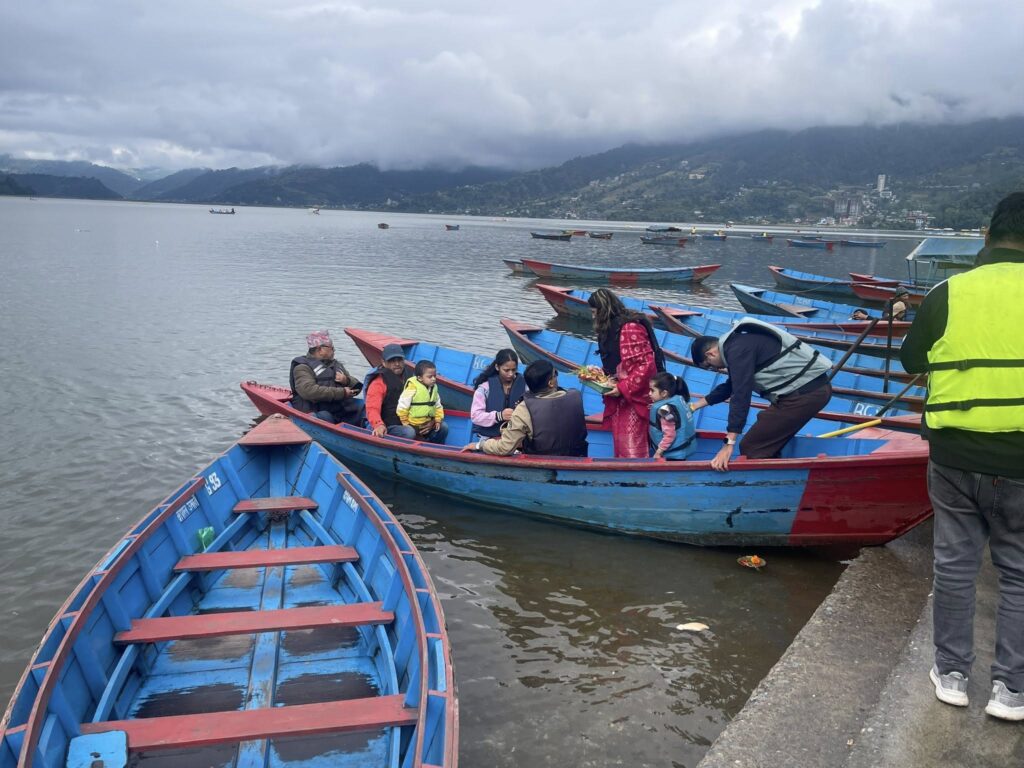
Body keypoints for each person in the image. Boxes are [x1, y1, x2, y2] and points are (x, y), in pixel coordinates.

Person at [899, 191, 1024, 721]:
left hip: (953, 454)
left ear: (987, 235)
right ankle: (1010, 691)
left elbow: (911, 361)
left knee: (954, 566)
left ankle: (952, 674)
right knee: (1018, 572)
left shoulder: (948, 292)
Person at [689, 317, 833, 471]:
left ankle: (766, 484)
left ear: (710, 354)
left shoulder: (737, 350)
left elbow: (741, 394)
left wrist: (729, 442)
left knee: (751, 447)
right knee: (765, 441)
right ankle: (775, 468)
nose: (716, 370)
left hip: (804, 395)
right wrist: (694, 406)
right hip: (810, 392)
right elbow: (731, 386)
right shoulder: (738, 344)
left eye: (710, 367)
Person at [587, 288, 666, 458]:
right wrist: (600, 374)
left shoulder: (629, 328)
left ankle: (635, 479)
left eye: (595, 312)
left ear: (603, 310)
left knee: (632, 445)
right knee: (622, 441)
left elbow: (646, 365)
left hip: (636, 398)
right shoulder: (612, 327)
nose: (593, 317)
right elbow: (619, 364)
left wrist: (623, 388)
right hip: (622, 398)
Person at [461, 359, 588, 457]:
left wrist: (480, 445)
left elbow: (505, 448)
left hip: (542, 463)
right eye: (556, 374)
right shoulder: (575, 396)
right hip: (577, 457)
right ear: (550, 383)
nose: (557, 376)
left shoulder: (524, 408)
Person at [289, 330, 364, 425]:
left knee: (365, 407)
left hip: (338, 411)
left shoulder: (336, 365)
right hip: (317, 412)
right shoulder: (302, 367)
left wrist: (346, 380)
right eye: (331, 348)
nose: (334, 350)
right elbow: (308, 391)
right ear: (320, 350)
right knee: (325, 416)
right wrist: (342, 392)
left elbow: (357, 388)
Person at [364, 343, 416, 439]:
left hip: (409, 420)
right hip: (387, 425)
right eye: (392, 360)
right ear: (383, 362)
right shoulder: (378, 383)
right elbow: (372, 408)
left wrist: (428, 420)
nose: (397, 364)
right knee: (409, 432)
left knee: (442, 428)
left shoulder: (411, 376)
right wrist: (378, 425)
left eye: (399, 360)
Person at [471, 349, 526, 438]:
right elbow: (475, 416)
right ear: (497, 367)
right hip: (489, 439)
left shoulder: (525, 387)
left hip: (516, 439)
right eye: (506, 370)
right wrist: (499, 416)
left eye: (513, 370)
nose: (511, 374)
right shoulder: (484, 389)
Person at [396, 360, 449, 444]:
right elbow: (402, 407)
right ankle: (417, 441)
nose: (433, 379)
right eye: (430, 377)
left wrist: (438, 420)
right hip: (413, 425)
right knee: (410, 432)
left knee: (444, 427)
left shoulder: (434, 389)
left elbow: (438, 406)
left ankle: (435, 445)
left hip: (428, 423)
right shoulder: (412, 388)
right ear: (420, 378)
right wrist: (405, 423)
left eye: (435, 376)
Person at [648, 372, 696, 460]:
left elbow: (669, 435)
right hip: (682, 449)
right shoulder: (678, 400)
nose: (649, 393)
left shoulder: (664, 411)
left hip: (672, 455)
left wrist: (658, 452)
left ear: (664, 393)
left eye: (652, 390)